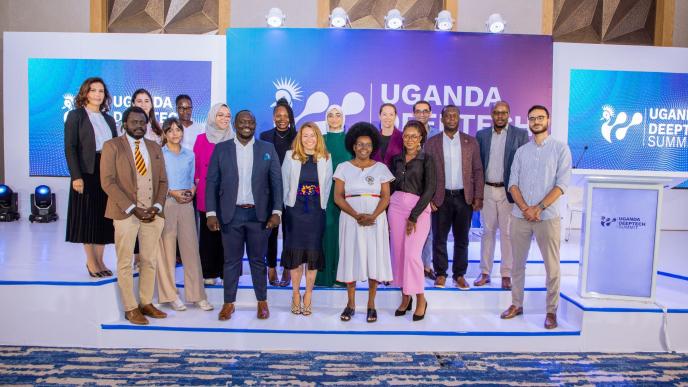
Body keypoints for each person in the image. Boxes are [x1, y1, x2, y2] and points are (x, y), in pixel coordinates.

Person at [205, 110, 283, 321]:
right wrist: (211, 213)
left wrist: (276, 212)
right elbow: (211, 182)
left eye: (250, 121)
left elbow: (276, 182)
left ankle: (262, 303)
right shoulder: (222, 149)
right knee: (231, 262)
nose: (246, 125)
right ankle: (229, 304)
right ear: (236, 124)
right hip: (231, 215)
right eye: (242, 122)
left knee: (259, 261)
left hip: (259, 216)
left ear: (255, 124)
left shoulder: (267, 148)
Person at [500, 105, 571, 330]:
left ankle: (551, 311)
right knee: (517, 265)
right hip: (520, 217)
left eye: (540, 117)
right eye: (532, 118)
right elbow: (512, 183)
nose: (536, 121)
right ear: (528, 122)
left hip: (547, 217)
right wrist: (525, 208)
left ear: (548, 120)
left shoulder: (561, 149)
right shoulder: (522, 152)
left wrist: (538, 208)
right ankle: (516, 304)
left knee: (552, 267)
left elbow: (561, 185)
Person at [100, 106, 168, 325]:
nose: (139, 126)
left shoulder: (154, 147)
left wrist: (157, 206)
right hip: (125, 213)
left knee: (149, 260)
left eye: (143, 122)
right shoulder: (112, 147)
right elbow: (108, 182)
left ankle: (146, 302)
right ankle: (130, 308)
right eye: (134, 122)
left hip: (152, 213)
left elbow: (162, 181)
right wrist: (132, 208)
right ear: (125, 124)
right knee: (125, 261)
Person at [334, 122, 394, 323]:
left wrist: (373, 216)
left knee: (373, 259)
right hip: (351, 220)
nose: (363, 148)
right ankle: (351, 304)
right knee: (351, 258)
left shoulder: (381, 168)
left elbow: (385, 197)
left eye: (368, 145)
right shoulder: (343, 167)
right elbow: (338, 197)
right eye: (360, 144)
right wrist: (356, 214)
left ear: (373, 147)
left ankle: (371, 305)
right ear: (353, 145)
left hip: (376, 221)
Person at [156, 117, 213, 312]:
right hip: (167, 203)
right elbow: (158, 182)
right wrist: (173, 193)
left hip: (186, 204)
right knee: (168, 251)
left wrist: (191, 191)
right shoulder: (160, 155)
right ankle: (170, 295)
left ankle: (197, 295)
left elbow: (193, 179)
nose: (175, 133)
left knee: (191, 250)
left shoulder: (189, 155)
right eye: (170, 130)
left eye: (178, 130)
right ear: (164, 133)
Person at [425, 105, 484, 289]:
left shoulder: (471, 142)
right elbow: (426, 172)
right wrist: (428, 199)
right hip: (439, 198)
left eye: (454, 115)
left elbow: (478, 170)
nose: (451, 118)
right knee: (439, 238)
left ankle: (459, 275)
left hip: (463, 197)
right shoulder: (432, 142)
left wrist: (478, 196)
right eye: (447, 116)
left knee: (462, 239)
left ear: (459, 118)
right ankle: (441, 274)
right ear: (441, 119)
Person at [64, 77, 118, 278]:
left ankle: (101, 259)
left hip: (107, 171)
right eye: (93, 90)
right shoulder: (75, 116)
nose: (97, 94)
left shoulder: (109, 119)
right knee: (87, 217)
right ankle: (91, 261)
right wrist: (76, 176)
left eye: (101, 91)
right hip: (86, 172)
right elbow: (70, 148)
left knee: (104, 217)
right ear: (85, 93)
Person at [475, 101, 529, 290]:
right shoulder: (481, 135)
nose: (500, 116)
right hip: (487, 190)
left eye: (504, 113)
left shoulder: (520, 135)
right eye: (496, 113)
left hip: (509, 191)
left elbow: (524, 165)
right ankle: (485, 272)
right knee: (487, 232)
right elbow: (477, 165)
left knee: (507, 233)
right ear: (491, 114)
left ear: (509, 114)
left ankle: (506, 273)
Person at [281, 123, 333, 315]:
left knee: (312, 254)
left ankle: (308, 294)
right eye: (305, 136)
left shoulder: (326, 158)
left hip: (315, 213)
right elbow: (284, 182)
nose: (309, 139)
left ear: (318, 137)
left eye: (312, 135)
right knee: (295, 256)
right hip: (295, 212)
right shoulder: (290, 156)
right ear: (300, 138)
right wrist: (287, 207)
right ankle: (295, 294)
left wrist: (321, 207)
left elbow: (327, 186)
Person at [388, 120, 435, 321]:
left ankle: (421, 298)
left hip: (419, 210)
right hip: (396, 208)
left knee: (412, 256)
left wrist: (414, 216)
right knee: (398, 254)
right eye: (406, 135)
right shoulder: (396, 160)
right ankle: (405, 297)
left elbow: (430, 189)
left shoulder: (428, 159)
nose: (409, 139)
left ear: (421, 139)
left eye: (414, 136)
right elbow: (390, 186)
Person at [194, 103, 233, 285]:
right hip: (206, 193)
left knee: (228, 235)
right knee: (209, 235)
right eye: (220, 115)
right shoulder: (201, 139)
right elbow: (195, 169)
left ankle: (227, 273)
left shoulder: (235, 139)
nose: (224, 119)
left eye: (227, 115)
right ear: (212, 117)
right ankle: (209, 272)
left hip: (228, 195)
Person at [259, 98, 297, 287]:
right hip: (270, 192)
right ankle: (271, 266)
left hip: (291, 191)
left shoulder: (298, 137)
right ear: (273, 117)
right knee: (271, 230)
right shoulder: (265, 136)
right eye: (278, 115)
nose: (282, 119)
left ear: (290, 117)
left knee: (289, 231)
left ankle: (288, 267)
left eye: (285, 115)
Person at [315, 105, 349, 288]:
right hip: (325, 194)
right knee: (326, 233)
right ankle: (323, 277)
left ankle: (342, 277)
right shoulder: (320, 140)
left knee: (343, 234)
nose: (334, 119)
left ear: (343, 118)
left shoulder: (350, 140)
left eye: (338, 115)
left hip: (346, 195)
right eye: (330, 115)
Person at [413, 100, 440, 280]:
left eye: (425, 111)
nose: (422, 114)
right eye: (418, 111)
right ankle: (409, 265)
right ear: (414, 113)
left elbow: (440, 166)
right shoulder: (407, 133)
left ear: (430, 113)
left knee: (428, 230)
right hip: (411, 187)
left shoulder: (438, 135)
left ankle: (426, 266)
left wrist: (435, 193)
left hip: (430, 186)